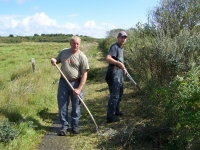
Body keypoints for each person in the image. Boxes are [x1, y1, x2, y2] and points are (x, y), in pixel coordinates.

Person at [50, 36, 89, 135]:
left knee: (76, 106)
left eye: (77, 44)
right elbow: (56, 60)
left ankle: (75, 126)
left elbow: (84, 74)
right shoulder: (63, 52)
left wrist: (79, 89)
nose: (75, 45)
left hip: (76, 83)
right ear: (70, 43)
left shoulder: (82, 56)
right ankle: (64, 126)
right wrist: (53, 60)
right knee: (62, 105)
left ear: (80, 44)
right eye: (74, 43)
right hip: (63, 82)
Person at [105, 31, 127, 123]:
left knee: (120, 93)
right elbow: (108, 58)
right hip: (114, 72)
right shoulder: (114, 47)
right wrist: (119, 64)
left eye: (125, 38)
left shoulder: (121, 48)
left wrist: (124, 69)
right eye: (121, 37)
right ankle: (110, 117)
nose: (123, 39)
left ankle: (116, 111)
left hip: (119, 72)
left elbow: (121, 61)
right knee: (114, 95)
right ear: (118, 38)